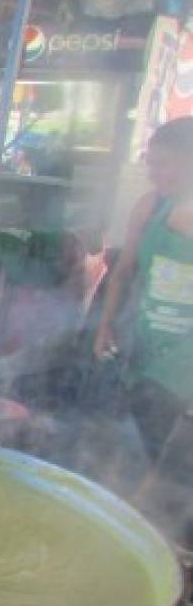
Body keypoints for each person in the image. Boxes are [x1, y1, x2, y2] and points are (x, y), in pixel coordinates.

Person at [95, 118, 193, 464]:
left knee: (175, 462)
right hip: (147, 344)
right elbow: (122, 274)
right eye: (149, 163)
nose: (153, 172)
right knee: (145, 442)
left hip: (186, 356)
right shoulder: (148, 206)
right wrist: (105, 325)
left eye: (162, 164)